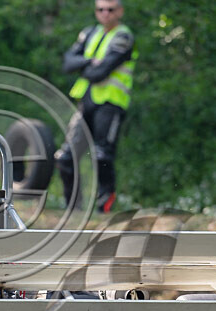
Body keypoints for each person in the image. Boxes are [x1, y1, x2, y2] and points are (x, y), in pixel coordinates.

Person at [56, 0, 137, 212]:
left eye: (110, 10)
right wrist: (90, 61)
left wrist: (83, 64)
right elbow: (67, 63)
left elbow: (100, 72)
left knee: (102, 155)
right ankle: (74, 209)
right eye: (101, 9)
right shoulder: (89, 32)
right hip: (86, 102)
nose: (105, 14)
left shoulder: (123, 36)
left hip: (111, 103)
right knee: (65, 159)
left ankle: (104, 206)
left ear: (120, 11)